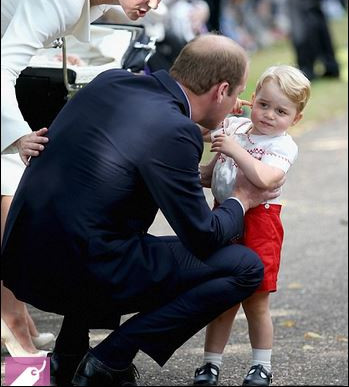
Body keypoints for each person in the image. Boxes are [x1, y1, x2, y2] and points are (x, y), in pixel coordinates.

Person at [2, 34, 284, 386]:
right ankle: (109, 361)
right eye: (236, 94)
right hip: (79, 268)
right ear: (221, 90)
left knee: (100, 224)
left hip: (21, 260)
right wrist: (240, 200)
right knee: (244, 267)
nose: (237, 105)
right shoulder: (177, 131)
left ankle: (67, 358)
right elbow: (204, 235)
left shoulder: (111, 81)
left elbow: (120, 167)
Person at [1, 0, 210, 358]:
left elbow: (77, 42)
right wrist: (18, 136)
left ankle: (11, 318)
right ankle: (12, 320)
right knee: (10, 179)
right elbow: (3, 68)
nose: (154, 5)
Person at [193, 65, 311, 386]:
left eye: (281, 111)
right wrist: (220, 115)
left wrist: (234, 148)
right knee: (221, 296)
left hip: (260, 222)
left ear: (295, 119)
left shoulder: (283, 145)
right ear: (252, 99)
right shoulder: (236, 125)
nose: (269, 115)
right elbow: (195, 127)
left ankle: (261, 365)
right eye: (263, 104)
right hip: (223, 216)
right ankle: (210, 363)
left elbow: (265, 178)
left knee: (256, 300)